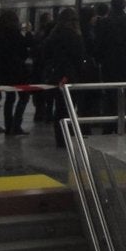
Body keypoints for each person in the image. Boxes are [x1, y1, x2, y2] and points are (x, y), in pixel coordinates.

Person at [93, 0, 126, 130]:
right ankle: (125, 123)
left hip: (109, 67)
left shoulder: (103, 23)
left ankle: (109, 124)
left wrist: (100, 60)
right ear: (124, 6)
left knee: (110, 96)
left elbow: (98, 46)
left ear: (111, 5)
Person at [41, 8, 86, 147]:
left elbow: (44, 52)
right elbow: (79, 58)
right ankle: (66, 137)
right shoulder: (74, 36)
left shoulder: (54, 35)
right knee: (69, 108)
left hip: (57, 75)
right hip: (70, 76)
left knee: (60, 109)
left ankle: (60, 138)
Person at [0, 9, 31, 135]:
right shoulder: (16, 34)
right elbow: (24, 51)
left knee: (10, 99)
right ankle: (16, 125)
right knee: (24, 97)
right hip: (18, 71)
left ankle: (8, 126)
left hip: (4, 71)